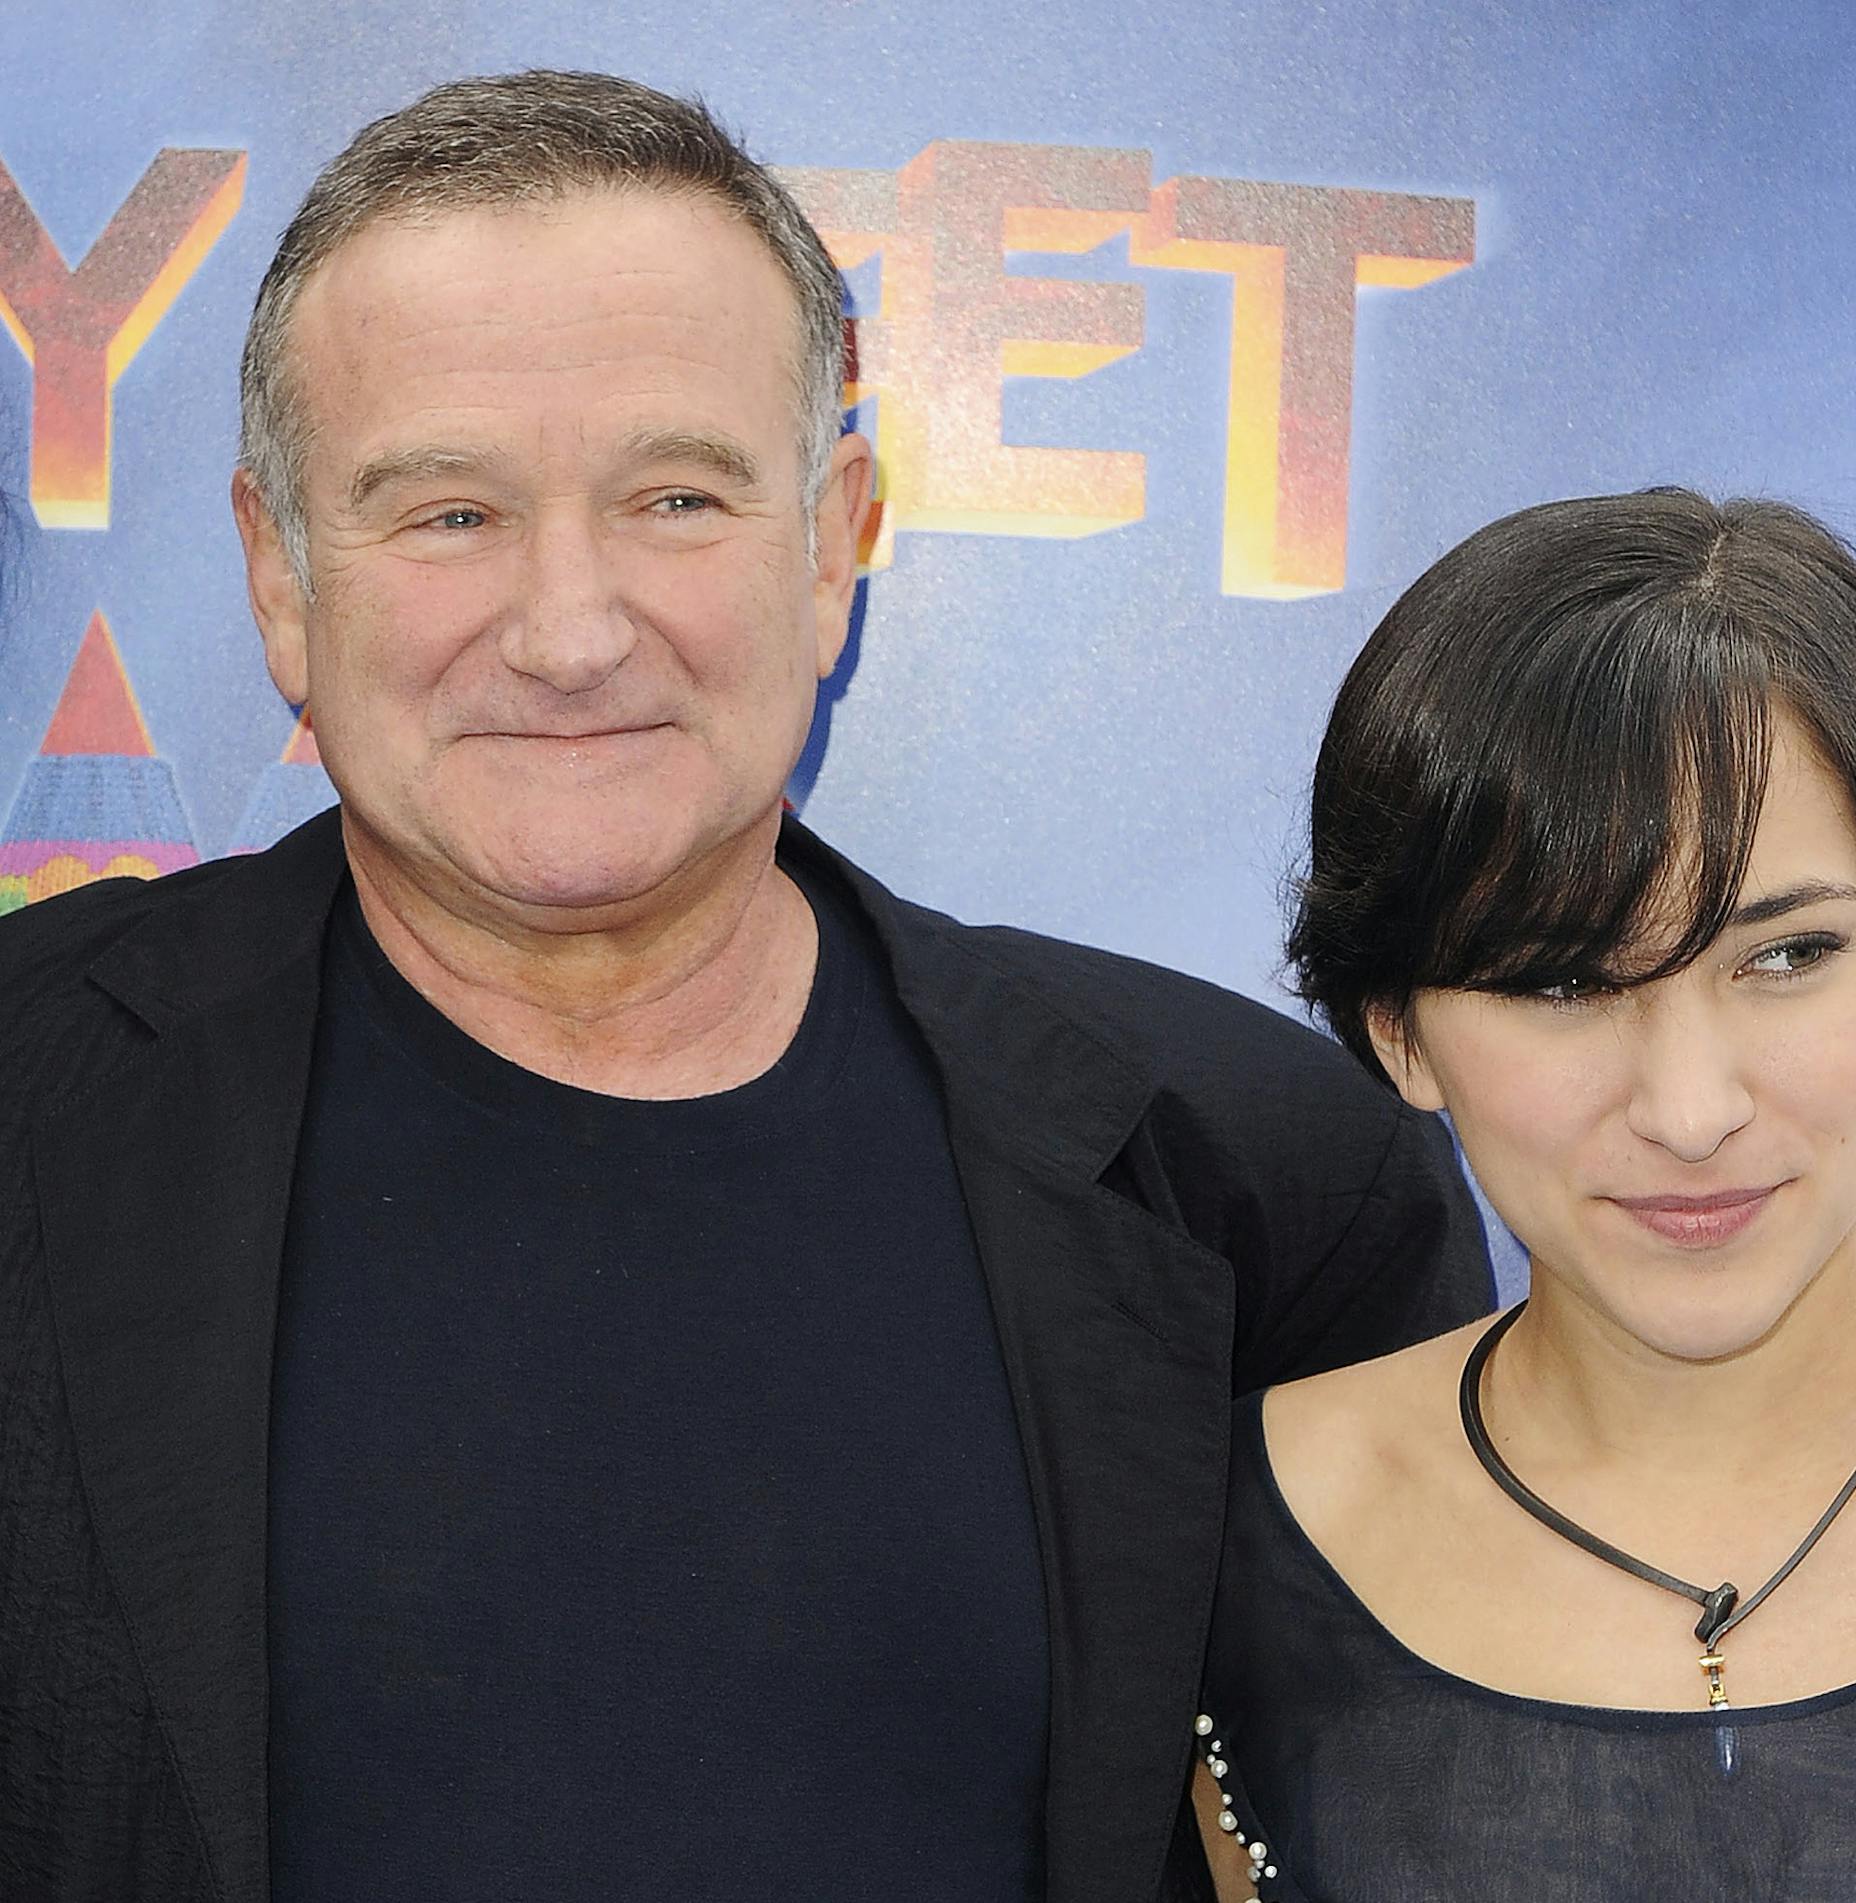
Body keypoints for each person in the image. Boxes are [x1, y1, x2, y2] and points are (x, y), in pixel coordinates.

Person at [0, 71, 1493, 1903]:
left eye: (678, 496)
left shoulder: (1253, 1177)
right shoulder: (27, 1099)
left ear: (832, 539)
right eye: (449, 513)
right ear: (279, 574)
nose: (568, 631)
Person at [1190, 491, 1856, 1902]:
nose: (1692, 1111)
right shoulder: (1215, 1544)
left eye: (1785, 958)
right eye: (1564, 981)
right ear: (1399, 1029)